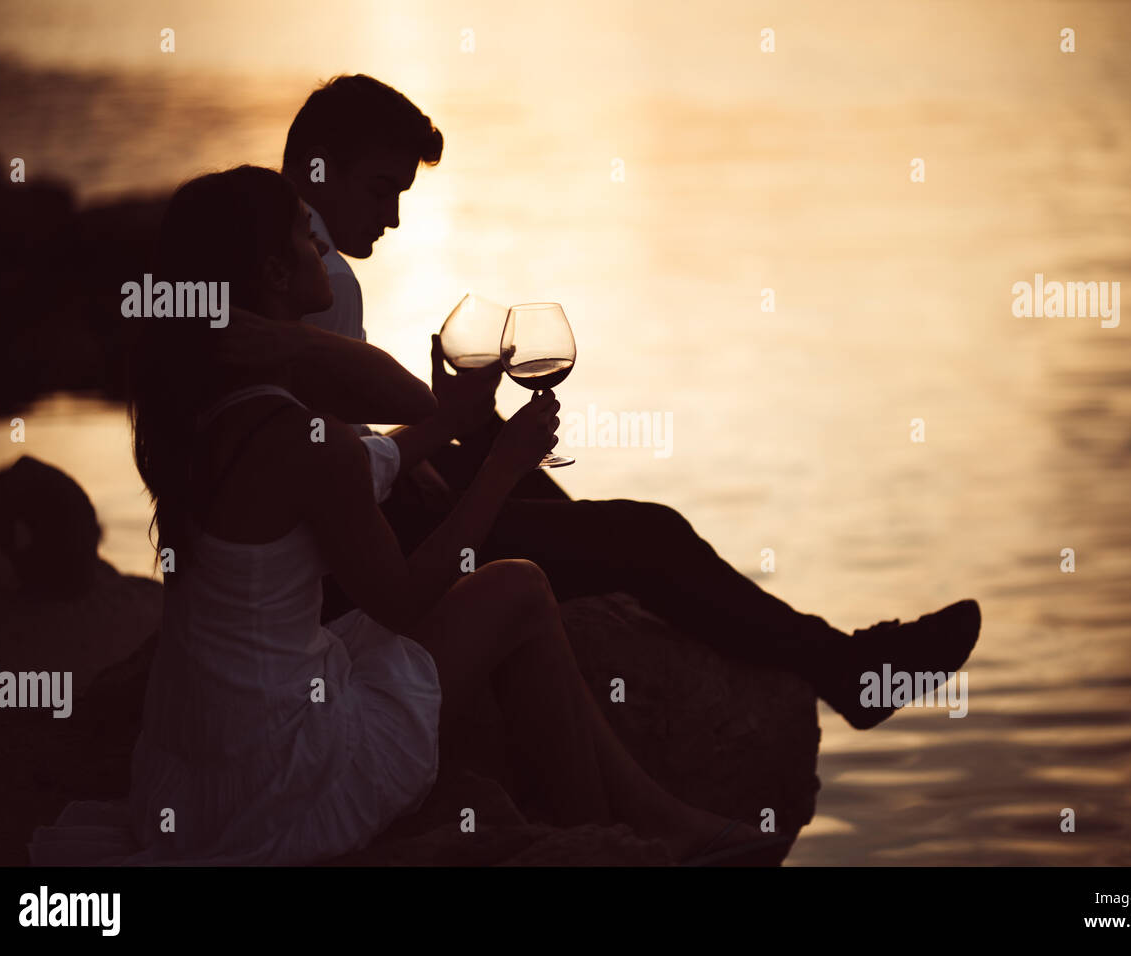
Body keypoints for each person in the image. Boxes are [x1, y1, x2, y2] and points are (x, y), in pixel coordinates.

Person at [27, 165, 790, 866]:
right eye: (305, 235)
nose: (321, 246)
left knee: (487, 599)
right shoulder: (291, 431)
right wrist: (500, 465)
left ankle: (639, 821)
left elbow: (347, 465)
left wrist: (446, 426)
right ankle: (601, 841)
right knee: (519, 587)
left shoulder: (201, 406)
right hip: (273, 779)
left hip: (195, 771)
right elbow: (403, 595)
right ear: (269, 273)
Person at [266, 74, 982, 728]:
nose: (392, 218)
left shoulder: (261, 259)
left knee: (498, 457)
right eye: (379, 188)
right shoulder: (322, 273)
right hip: (359, 562)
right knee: (650, 532)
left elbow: (315, 446)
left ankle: (618, 569)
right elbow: (332, 471)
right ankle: (847, 668)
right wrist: (437, 426)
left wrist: (441, 431)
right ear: (316, 166)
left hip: (350, 527)